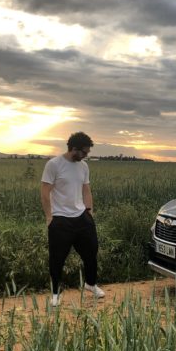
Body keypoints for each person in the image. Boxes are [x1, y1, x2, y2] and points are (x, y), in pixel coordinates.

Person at [40, 132, 105, 307]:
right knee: (57, 258)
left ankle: (90, 284)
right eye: (84, 152)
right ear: (74, 149)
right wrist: (49, 217)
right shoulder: (54, 164)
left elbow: (86, 190)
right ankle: (56, 293)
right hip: (60, 220)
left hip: (81, 217)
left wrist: (89, 212)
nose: (86, 155)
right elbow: (45, 192)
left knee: (91, 252)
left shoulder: (83, 166)